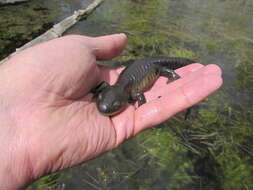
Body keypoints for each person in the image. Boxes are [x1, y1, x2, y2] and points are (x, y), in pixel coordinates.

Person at [0, 34, 222, 190]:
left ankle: (174, 71)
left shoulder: (132, 93)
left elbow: (141, 96)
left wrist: (169, 76)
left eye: (112, 108)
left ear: (123, 100)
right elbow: (108, 94)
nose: (105, 109)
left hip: (154, 65)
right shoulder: (113, 91)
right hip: (133, 71)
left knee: (168, 69)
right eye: (104, 105)